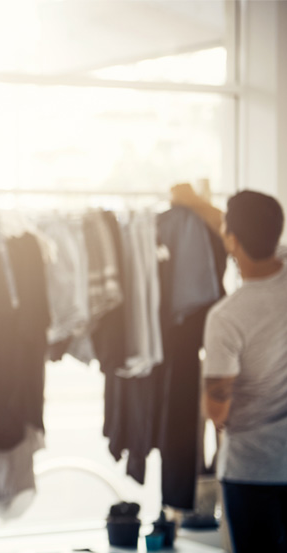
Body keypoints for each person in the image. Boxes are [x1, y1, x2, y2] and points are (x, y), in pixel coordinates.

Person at [171, 183, 287, 553]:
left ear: (231, 240)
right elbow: (253, 230)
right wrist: (196, 202)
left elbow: (217, 411)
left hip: (252, 473)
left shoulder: (226, 317)